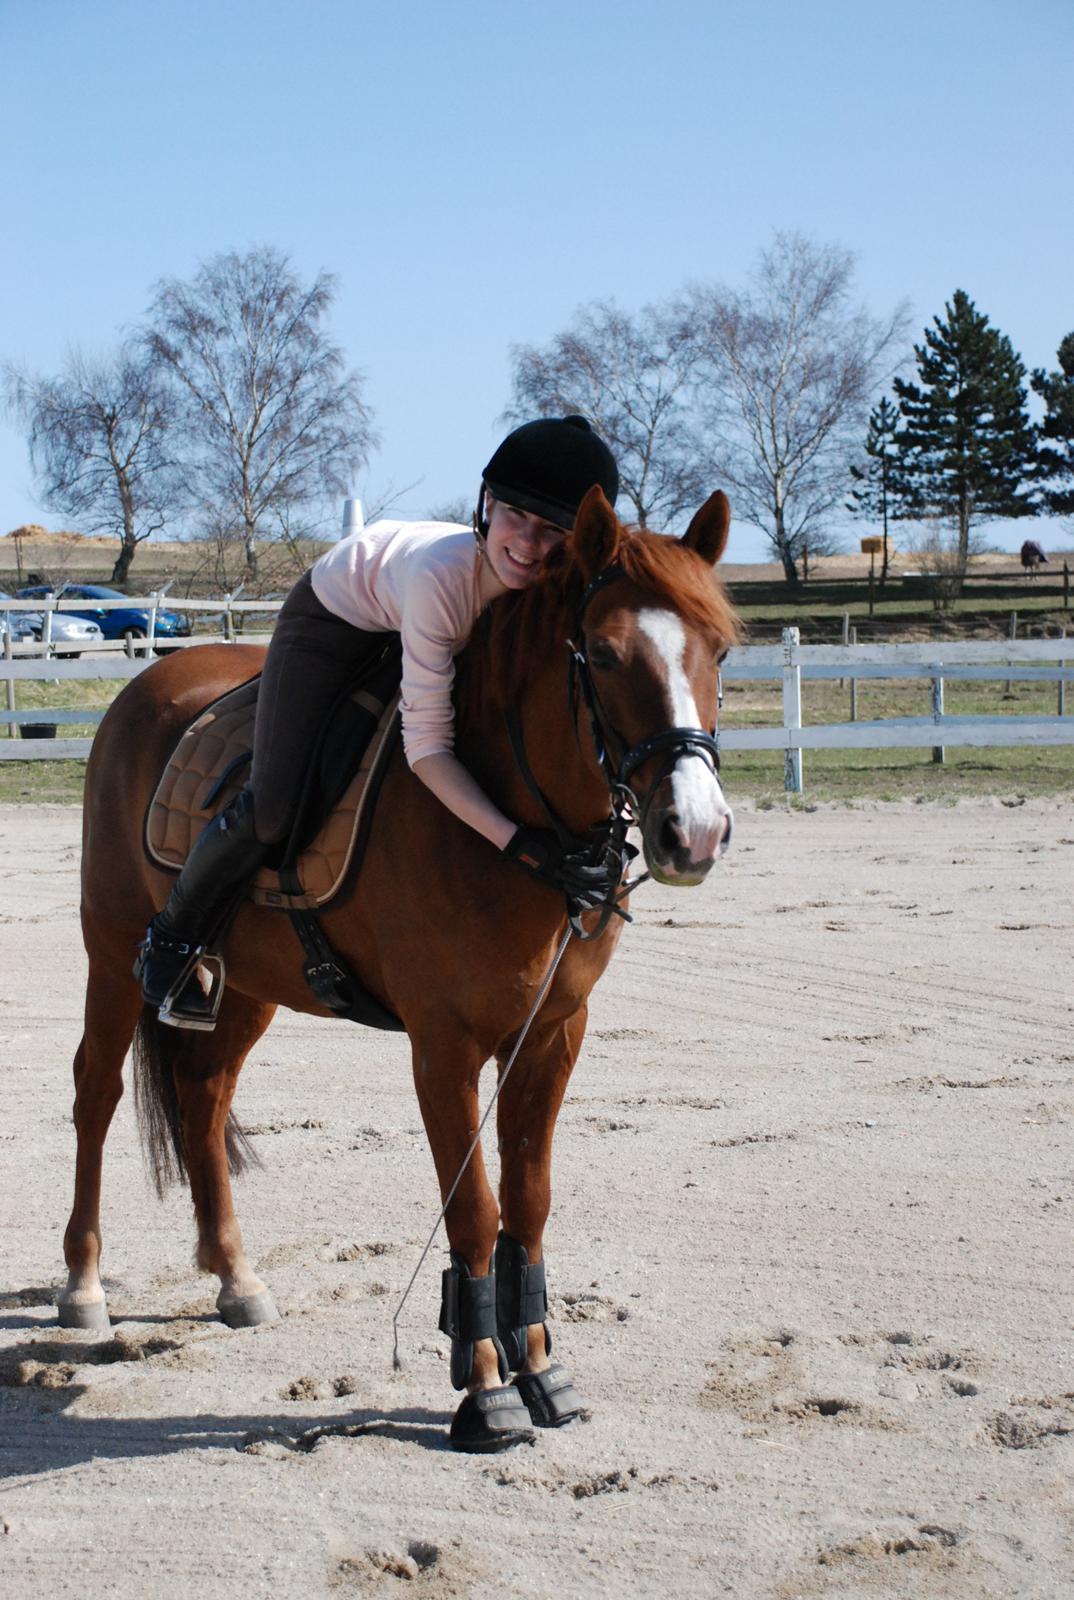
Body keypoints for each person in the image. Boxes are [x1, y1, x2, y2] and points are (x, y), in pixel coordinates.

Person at [137, 415, 621, 1026]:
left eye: (554, 530)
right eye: (515, 518)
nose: (528, 544)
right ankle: (173, 940)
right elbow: (425, 751)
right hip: (337, 620)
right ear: (487, 505)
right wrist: (517, 843)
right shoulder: (444, 579)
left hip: (427, 618)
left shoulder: (561, 589)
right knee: (276, 807)